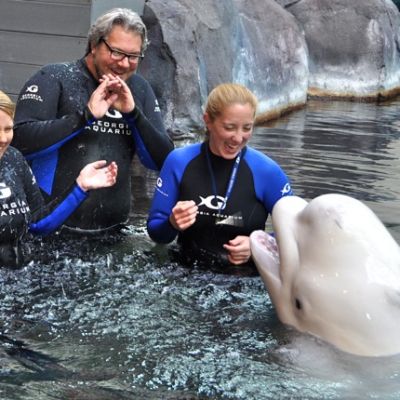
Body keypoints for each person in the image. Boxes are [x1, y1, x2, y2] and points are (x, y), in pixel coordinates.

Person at [12, 8, 173, 233]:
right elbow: (18, 143)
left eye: (133, 56)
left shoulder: (139, 89)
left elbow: (164, 161)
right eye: (116, 52)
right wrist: (84, 117)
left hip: (113, 231)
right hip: (54, 231)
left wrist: (134, 115)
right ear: (95, 45)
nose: (125, 64)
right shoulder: (54, 77)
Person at [147, 83, 293, 269]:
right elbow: (157, 234)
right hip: (185, 275)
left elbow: (296, 232)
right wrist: (172, 223)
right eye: (230, 127)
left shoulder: (266, 171)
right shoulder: (179, 162)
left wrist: (259, 244)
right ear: (208, 120)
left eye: (247, 128)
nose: (238, 138)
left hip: (243, 282)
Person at [0, 90, 118, 268]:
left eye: (8, 129)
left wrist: (80, 187)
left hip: (19, 276)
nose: (3, 139)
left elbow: (37, 224)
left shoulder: (14, 159)